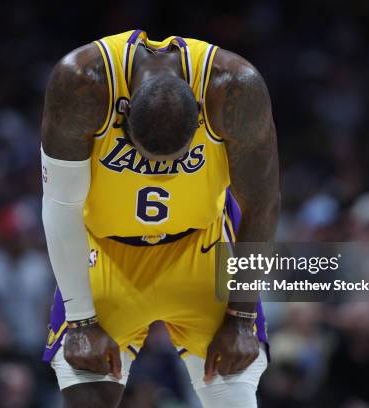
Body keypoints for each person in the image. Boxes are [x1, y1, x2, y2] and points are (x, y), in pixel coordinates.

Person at [40, 29, 280, 407]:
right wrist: (82, 320)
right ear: (124, 113)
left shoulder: (234, 86)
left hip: (201, 249)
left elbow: (262, 203)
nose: (158, 171)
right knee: (85, 392)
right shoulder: (82, 81)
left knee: (235, 391)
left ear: (200, 114)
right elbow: (60, 206)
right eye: (148, 158)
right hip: (107, 256)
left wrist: (240, 318)